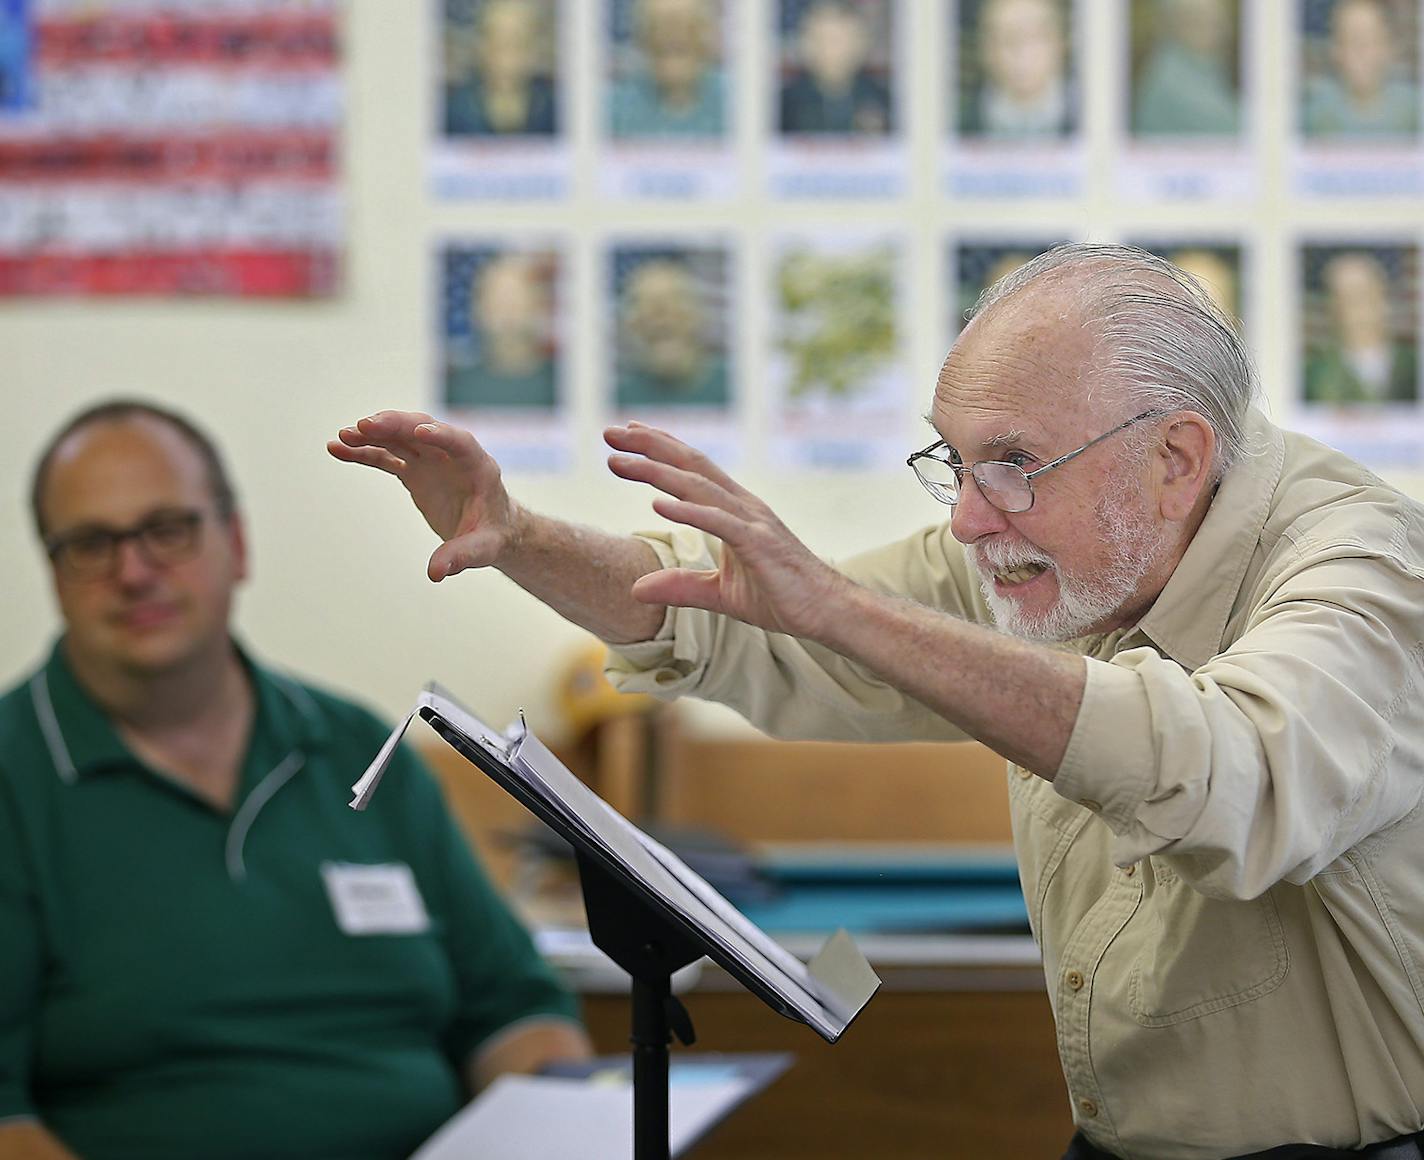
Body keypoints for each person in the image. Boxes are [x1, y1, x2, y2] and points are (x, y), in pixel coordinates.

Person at [333, 241, 1424, 1158]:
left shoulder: (1361, 564)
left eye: (1010, 463)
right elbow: (748, 615)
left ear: (1174, 458)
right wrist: (521, 537)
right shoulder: (1062, 546)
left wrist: (842, 613)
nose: (966, 520)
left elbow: (1232, 772)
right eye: (951, 464)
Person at [1, 400, 592, 1160]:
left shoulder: (355, 747)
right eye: (90, 543)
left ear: (238, 544)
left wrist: (553, 1133)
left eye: (169, 530)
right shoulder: (17, 776)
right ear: (52, 572)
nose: (133, 570)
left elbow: (514, 1007)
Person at [445, 251, 558, 410]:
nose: (507, 311)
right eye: (497, 299)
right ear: (478, 308)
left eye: (517, 299)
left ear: (538, 304)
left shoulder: (559, 384)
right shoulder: (455, 389)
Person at [1304, 249, 1419, 405]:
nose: (1356, 309)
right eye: (1344, 298)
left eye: (1363, 295)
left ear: (1382, 298)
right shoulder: (1313, 375)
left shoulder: (1413, 364)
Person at [614, 256, 729, 408]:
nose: (659, 313)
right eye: (641, 302)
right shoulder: (617, 399)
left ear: (701, 314)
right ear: (629, 325)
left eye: (677, 298)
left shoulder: (736, 385)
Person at [608, 0, 727, 139]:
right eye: (658, 24)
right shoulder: (611, 110)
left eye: (689, 24)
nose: (672, 33)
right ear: (641, 37)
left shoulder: (739, 102)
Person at [1302, 0, 1420, 139]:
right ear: (1334, 49)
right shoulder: (1311, 115)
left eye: (1371, 39)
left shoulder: (1414, 110)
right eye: (1349, 39)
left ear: (1390, 47)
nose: (1360, 50)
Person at [960, 0, 1076, 140]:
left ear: (1061, 42)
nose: (1020, 50)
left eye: (1035, 35)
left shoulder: (1093, 119)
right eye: (1003, 37)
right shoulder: (957, 123)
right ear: (985, 47)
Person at [778, 0, 894, 136]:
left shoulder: (886, 103)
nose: (829, 50)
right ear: (803, 43)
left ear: (862, 42)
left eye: (838, 40)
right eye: (820, 39)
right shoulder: (782, 108)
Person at [443, 0, 557, 137]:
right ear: (479, 46)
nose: (505, 54)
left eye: (517, 41)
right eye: (495, 40)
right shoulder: (454, 111)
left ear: (534, 49)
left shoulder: (554, 110)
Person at [1131, 0, 1241, 137]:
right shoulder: (1172, 81)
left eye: (1221, 23)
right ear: (1178, 25)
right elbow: (1233, 126)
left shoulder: (1202, 69)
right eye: (1209, 23)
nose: (1223, 34)